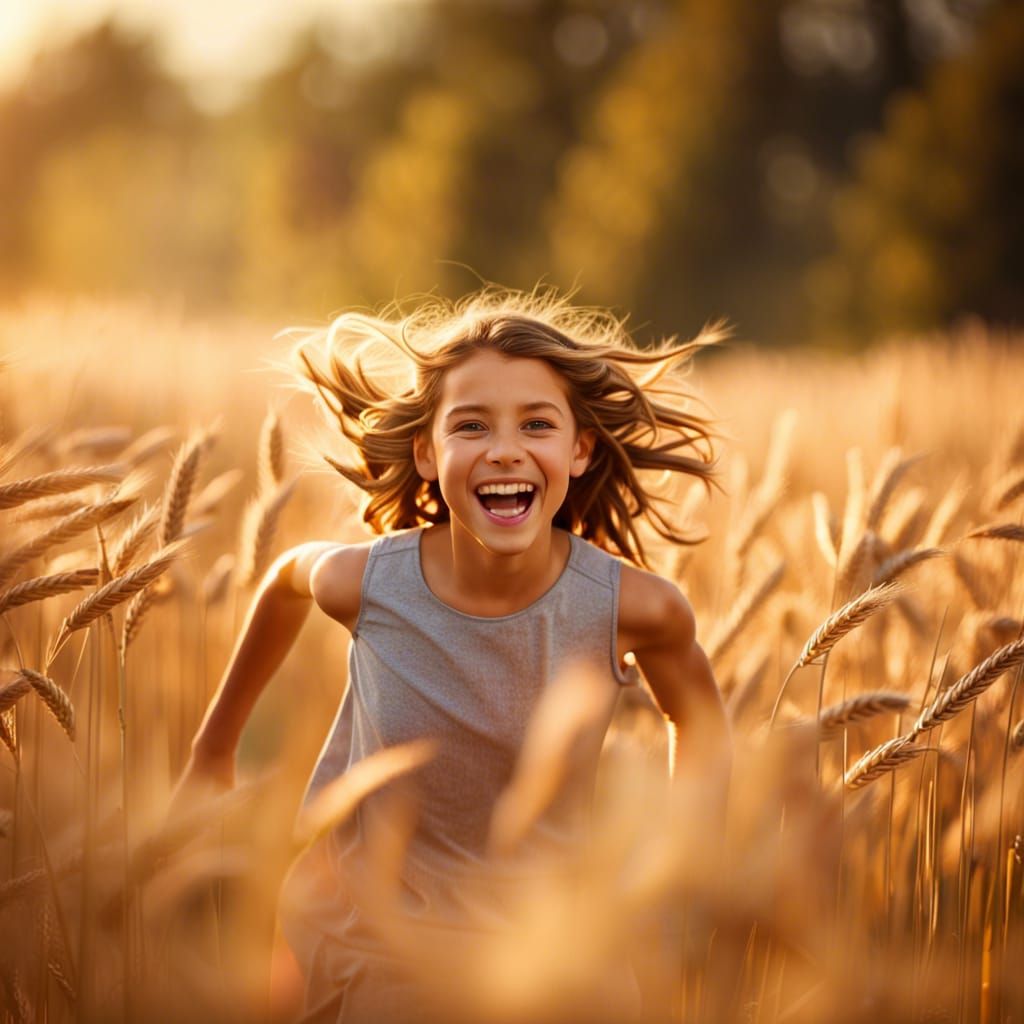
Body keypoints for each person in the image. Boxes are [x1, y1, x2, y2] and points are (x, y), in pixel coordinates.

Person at [174, 286, 733, 1023]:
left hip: (542, 947)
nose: (505, 448)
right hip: (370, 941)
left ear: (579, 448)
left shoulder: (634, 608)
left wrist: (681, 860)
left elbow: (700, 722)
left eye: (536, 422)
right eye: (471, 426)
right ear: (428, 454)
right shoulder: (371, 582)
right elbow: (284, 583)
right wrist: (213, 752)